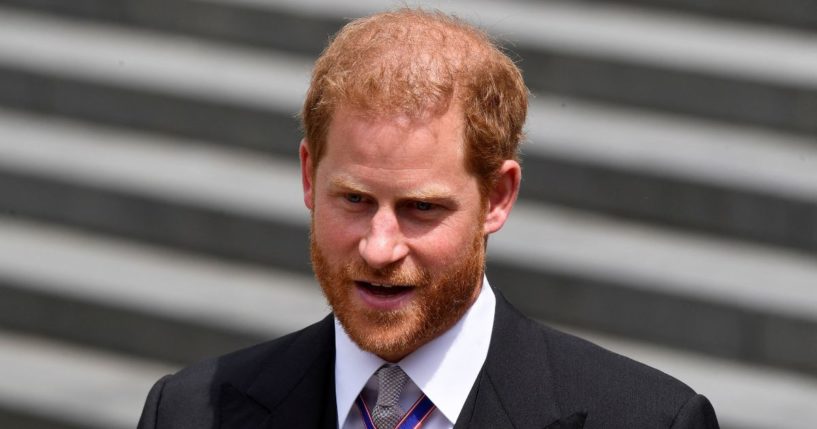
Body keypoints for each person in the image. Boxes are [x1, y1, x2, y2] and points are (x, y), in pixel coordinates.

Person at [137, 8, 719, 429]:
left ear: (498, 197)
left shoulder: (650, 420)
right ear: (309, 178)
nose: (379, 248)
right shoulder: (187, 412)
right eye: (356, 200)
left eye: (421, 208)